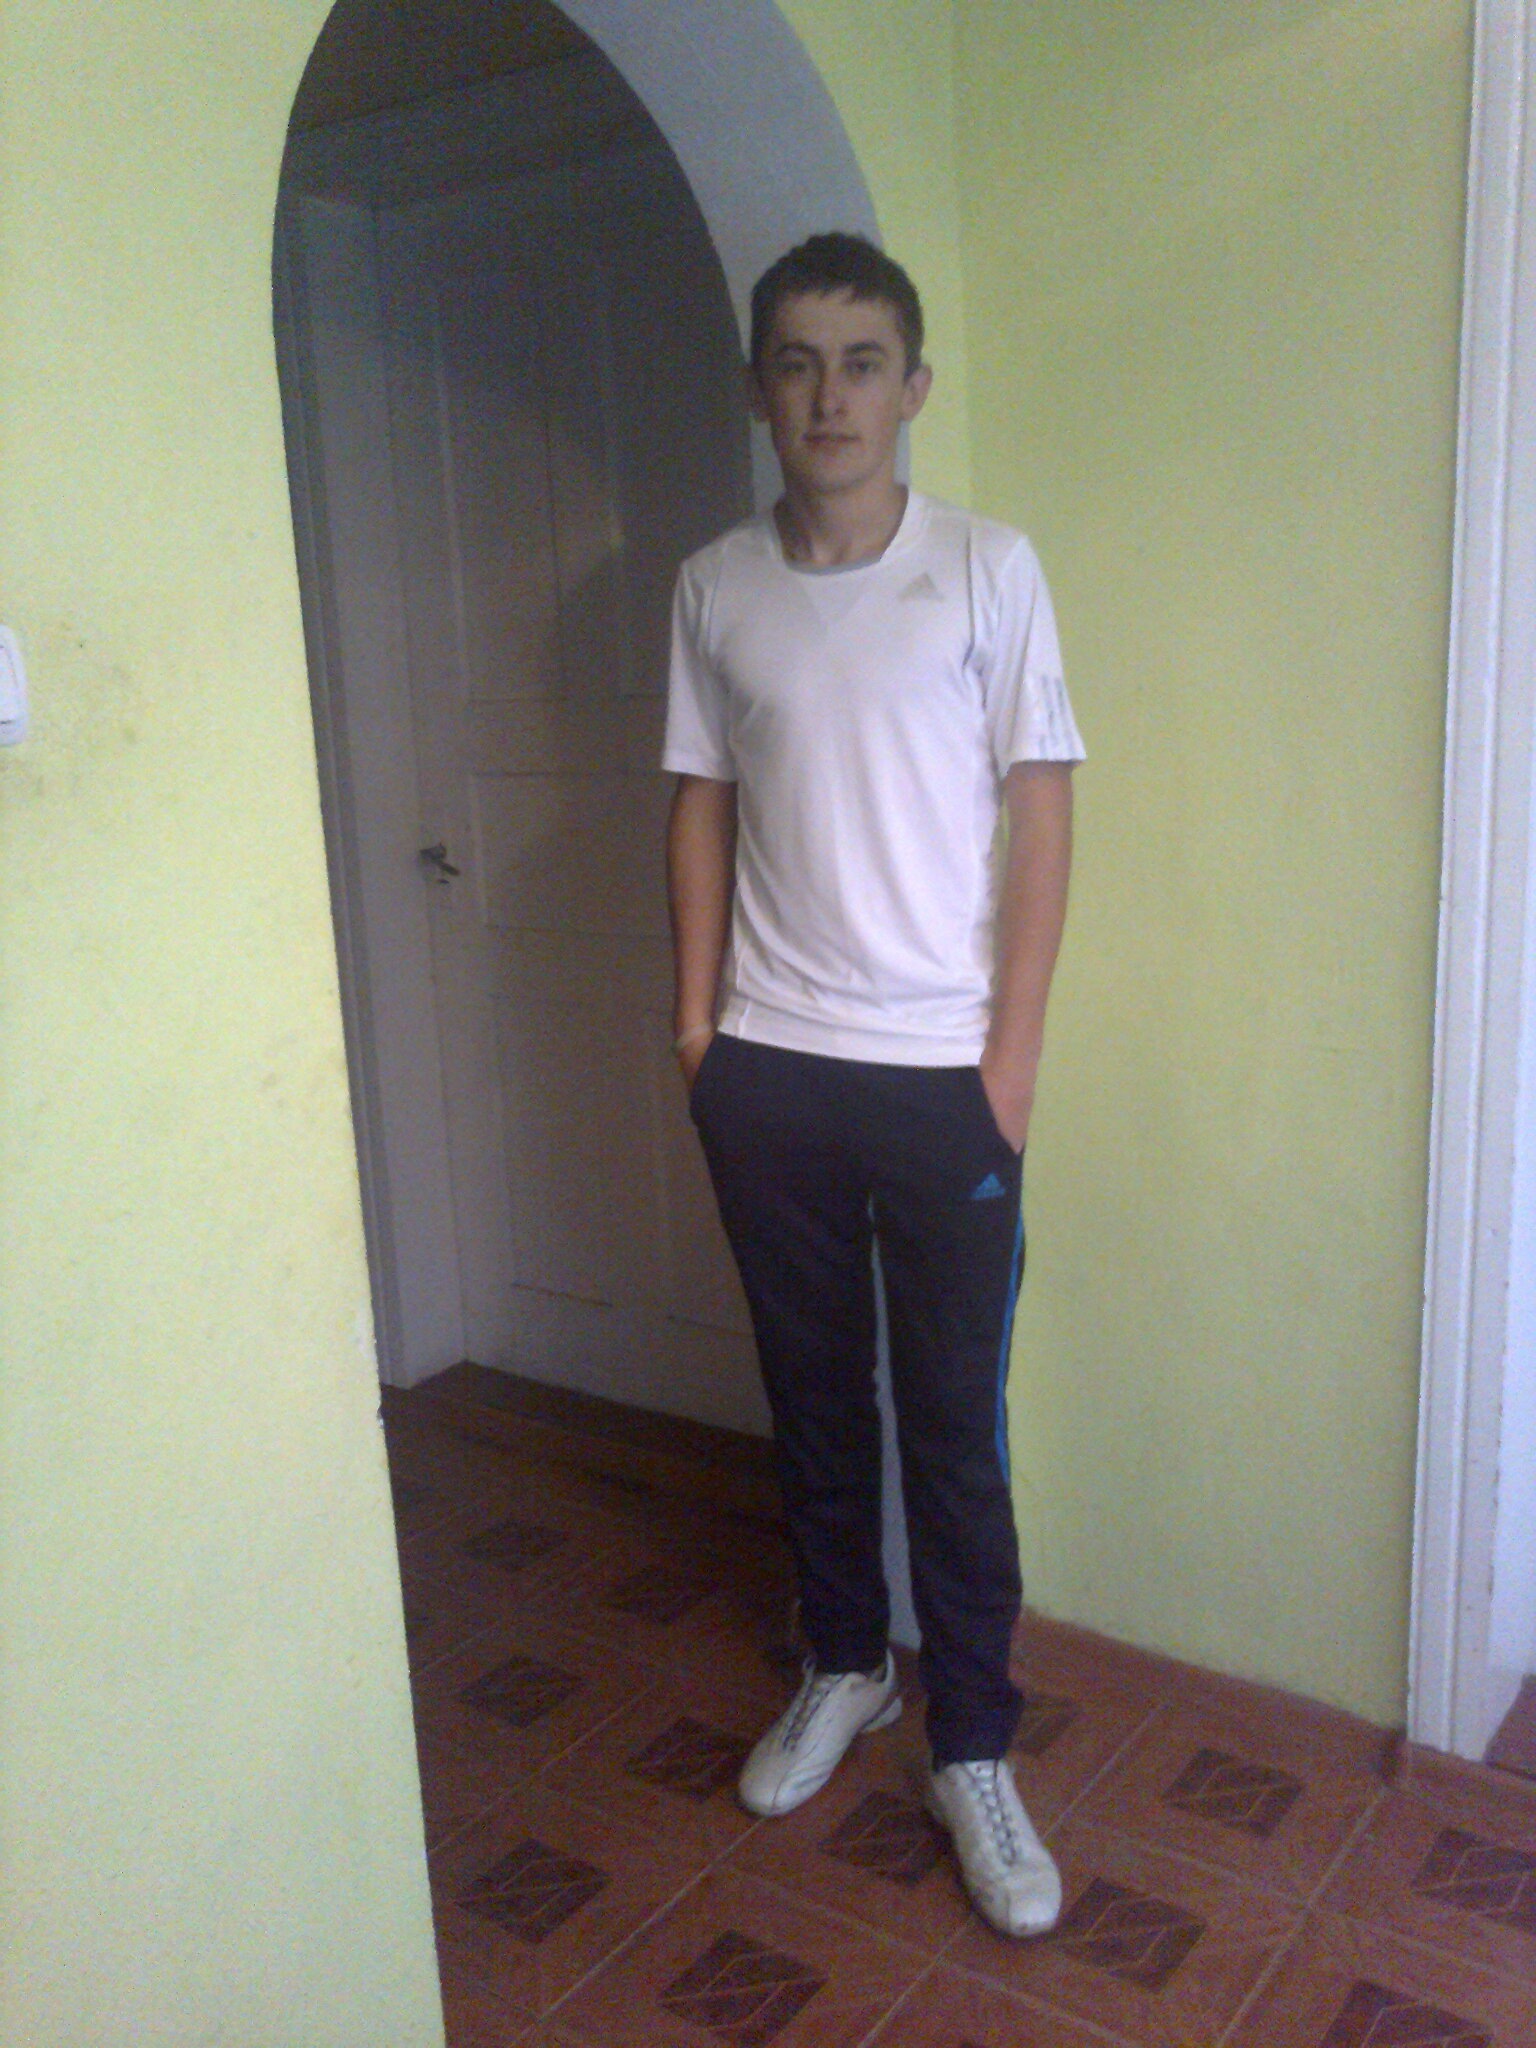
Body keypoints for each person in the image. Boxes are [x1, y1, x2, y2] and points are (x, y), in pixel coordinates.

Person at [662, 231, 1083, 1938]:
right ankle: (845, 1664)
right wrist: (697, 1033)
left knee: (955, 1429)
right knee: (815, 1395)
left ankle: (972, 1743)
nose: (828, 395)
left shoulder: (987, 569)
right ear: (759, 389)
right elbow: (699, 799)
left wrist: (1010, 1064)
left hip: (941, 1081)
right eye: (797, 362)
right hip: (769, 1068)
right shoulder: (714, 586)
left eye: (860, 362)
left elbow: (1042, 808)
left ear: (912, 387)